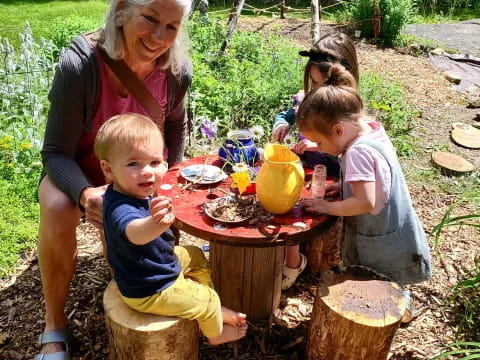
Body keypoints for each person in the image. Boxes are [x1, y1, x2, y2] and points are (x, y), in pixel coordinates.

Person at [37, 0, 192, 358]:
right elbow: (55, 153)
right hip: (82, 172)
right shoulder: (81, 65)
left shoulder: (176, 72)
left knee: (151, 220)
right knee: (59, 207)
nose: (159, 37)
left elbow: (174, 127)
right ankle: (54, 324)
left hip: (137, 172)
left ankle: (134, 291)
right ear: (122, 11)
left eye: (171, 26)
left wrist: (165, 175)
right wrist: (86, 193)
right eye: (150, 19)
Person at [95, 113, 248, 345]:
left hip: (156, 263)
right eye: (134, 163)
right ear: (108, 169)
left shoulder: (132, 189)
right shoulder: (120, 207)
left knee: (195, 255)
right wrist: (153, 224)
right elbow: (134, 233)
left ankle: (210, 309)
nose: (147, 171)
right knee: (205, 299)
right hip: (148, 288)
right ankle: (214, 332)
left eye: (154, 162)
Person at [297, 63, 432, 286]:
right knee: (389, 285)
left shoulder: (357, 152)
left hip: (380, 239)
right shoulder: (371, 130)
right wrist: (343, 185)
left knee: (381, 286)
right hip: (397, 228)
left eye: (320, 142)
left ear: (339, 130)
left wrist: (327, 207)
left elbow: (365, 201)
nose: (319, 148)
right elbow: (376, 177)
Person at [274, 32, 359, 290]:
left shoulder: (346, 108)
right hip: (306, 167)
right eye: (313, 82)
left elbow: (347, 150)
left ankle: (295, 261)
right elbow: (288, 114)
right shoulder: (306, 98)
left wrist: (317, 144)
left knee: (307, 211)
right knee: (288, 201)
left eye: (321, 83)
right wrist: (282, 124)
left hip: (330, 174)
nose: (316, 89)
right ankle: (290, 254)